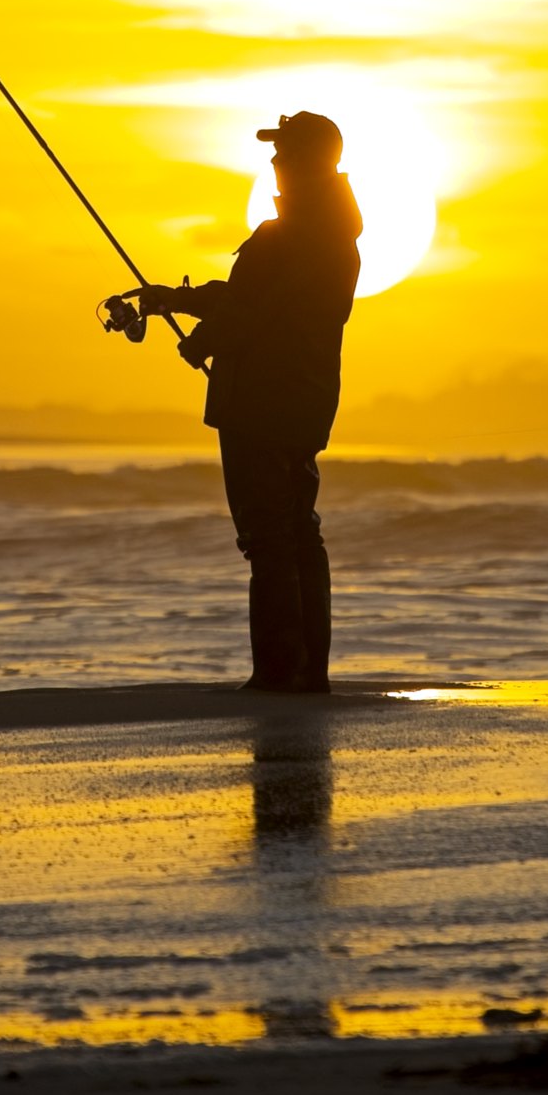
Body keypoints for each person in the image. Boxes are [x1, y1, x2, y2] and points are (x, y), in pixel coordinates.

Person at [114, 112, 362, 694]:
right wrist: (175, 300)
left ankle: (277, 673)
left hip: (260, 406)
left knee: (268, 537)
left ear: (305, 161)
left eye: (284, 152)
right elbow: (254, 299)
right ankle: (308, 672)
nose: (274, 160)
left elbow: (251, 313)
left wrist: (201, 341)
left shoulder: (290, 236)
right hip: (304, 404)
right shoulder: (331, 235)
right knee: (299, 532)